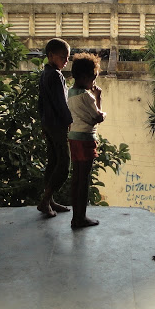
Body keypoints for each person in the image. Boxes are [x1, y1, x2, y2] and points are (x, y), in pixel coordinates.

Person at [67, 53, 106, 228]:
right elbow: (97, 118)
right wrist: (99, 98)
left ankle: (76, 216)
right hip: (85, 139)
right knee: (84, 180)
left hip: (73, 138)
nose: (94, 83)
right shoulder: (86, 96)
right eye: (93, 78)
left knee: (76, 178)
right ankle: (80, 217)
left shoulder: (71, 92)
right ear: (85, 77)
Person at [37, 38, 73, 218]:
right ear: (50, 56)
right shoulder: (56, 76)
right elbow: (60, 103)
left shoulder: (45, 74)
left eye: (67, 58)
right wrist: (69, 121)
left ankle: (50, 201)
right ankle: (46, 199)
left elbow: (41, 103)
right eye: (62, 57)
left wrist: (43, 123)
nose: (66, 61)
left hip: (48, 124)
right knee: (64, 164)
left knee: (52, 162)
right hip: (57, 125)